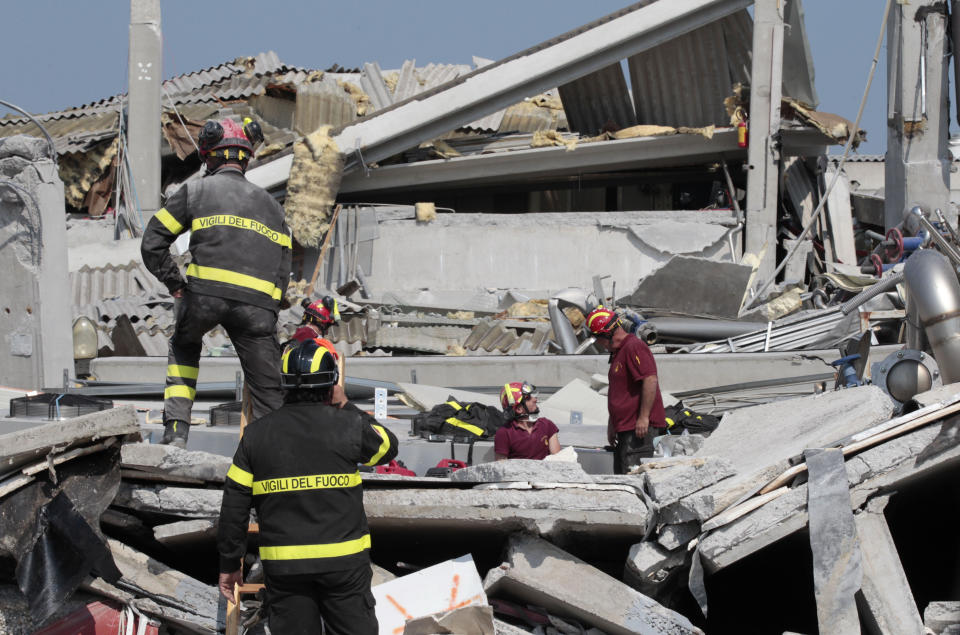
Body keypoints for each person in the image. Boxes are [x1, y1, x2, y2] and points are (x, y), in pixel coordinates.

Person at [217, 338, 398, 635]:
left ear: (284, 385)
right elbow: (388, 447)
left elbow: (234, 505)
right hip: (344, 566)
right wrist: (345, 404)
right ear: (332, 384)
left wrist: (229, 563)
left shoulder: (255, 436)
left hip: (286, 571)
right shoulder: (348, 425)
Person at [141, 117, 291, 448]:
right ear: (246, 156)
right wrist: (272, 304)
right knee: (268, 389)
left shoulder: (194, 191)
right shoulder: (273, 206)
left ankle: (176, 432)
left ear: (209, 155)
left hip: (203, 297)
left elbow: (152, 242)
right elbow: (284, 263)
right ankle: (276, 454)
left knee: (184, 345)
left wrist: (175, 283)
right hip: (257, 308)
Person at [586, 306, 667, 474]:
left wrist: (644, 417)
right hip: (625, 428)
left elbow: (650, 379)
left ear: (607, 334)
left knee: (633, 476)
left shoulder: (633, 347)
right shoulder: (619, 352)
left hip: (638, 430)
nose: (599, 344)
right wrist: (612, 424)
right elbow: (619, 393)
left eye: (598, 339)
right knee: (623, 473)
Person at [494, 381, 561, 460]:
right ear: (519, 409)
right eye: (528, 398)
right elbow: (501, 467)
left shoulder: (547, 425)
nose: (535, 399)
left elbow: (557, 461)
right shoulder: (504, 433)